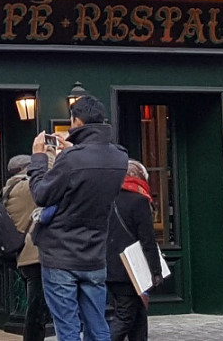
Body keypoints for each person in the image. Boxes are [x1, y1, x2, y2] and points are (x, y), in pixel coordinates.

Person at [28, 94, 128, 341]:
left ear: (78, 122)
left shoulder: (71, 159)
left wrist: (39, 157)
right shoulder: (120, 158)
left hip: (61, 253)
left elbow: (41, 194)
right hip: (94, 252)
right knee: (98, 325)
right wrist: (73, 151)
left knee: (68, 328)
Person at [106, 160, 163, 341]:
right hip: (130, 270)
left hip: (108, 266)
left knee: (138, 315)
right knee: (125, 316)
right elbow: (148, 240)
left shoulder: (107, 199)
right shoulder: (139, 201)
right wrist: (156, 271)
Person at [3, 154, 49, 341]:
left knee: (37, 306)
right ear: (25, 168)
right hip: (34, 255)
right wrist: (47, 153)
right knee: (36, 308)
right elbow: (50, 182)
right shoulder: (24, 188)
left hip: (24, 256)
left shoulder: (10, 188)